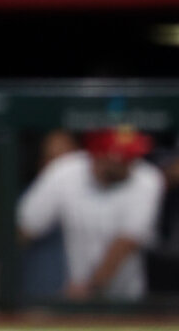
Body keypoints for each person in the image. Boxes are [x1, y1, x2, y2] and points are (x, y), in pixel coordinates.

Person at [18, 128, 165, 302]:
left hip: (126, 298)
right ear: (98, 155)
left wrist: (90, 288)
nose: (129, 162)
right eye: (122, 157)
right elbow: (24, 227)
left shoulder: (148, 178)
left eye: (131, 155)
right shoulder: (64, 171)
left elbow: (126, 242)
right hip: (76, 290)